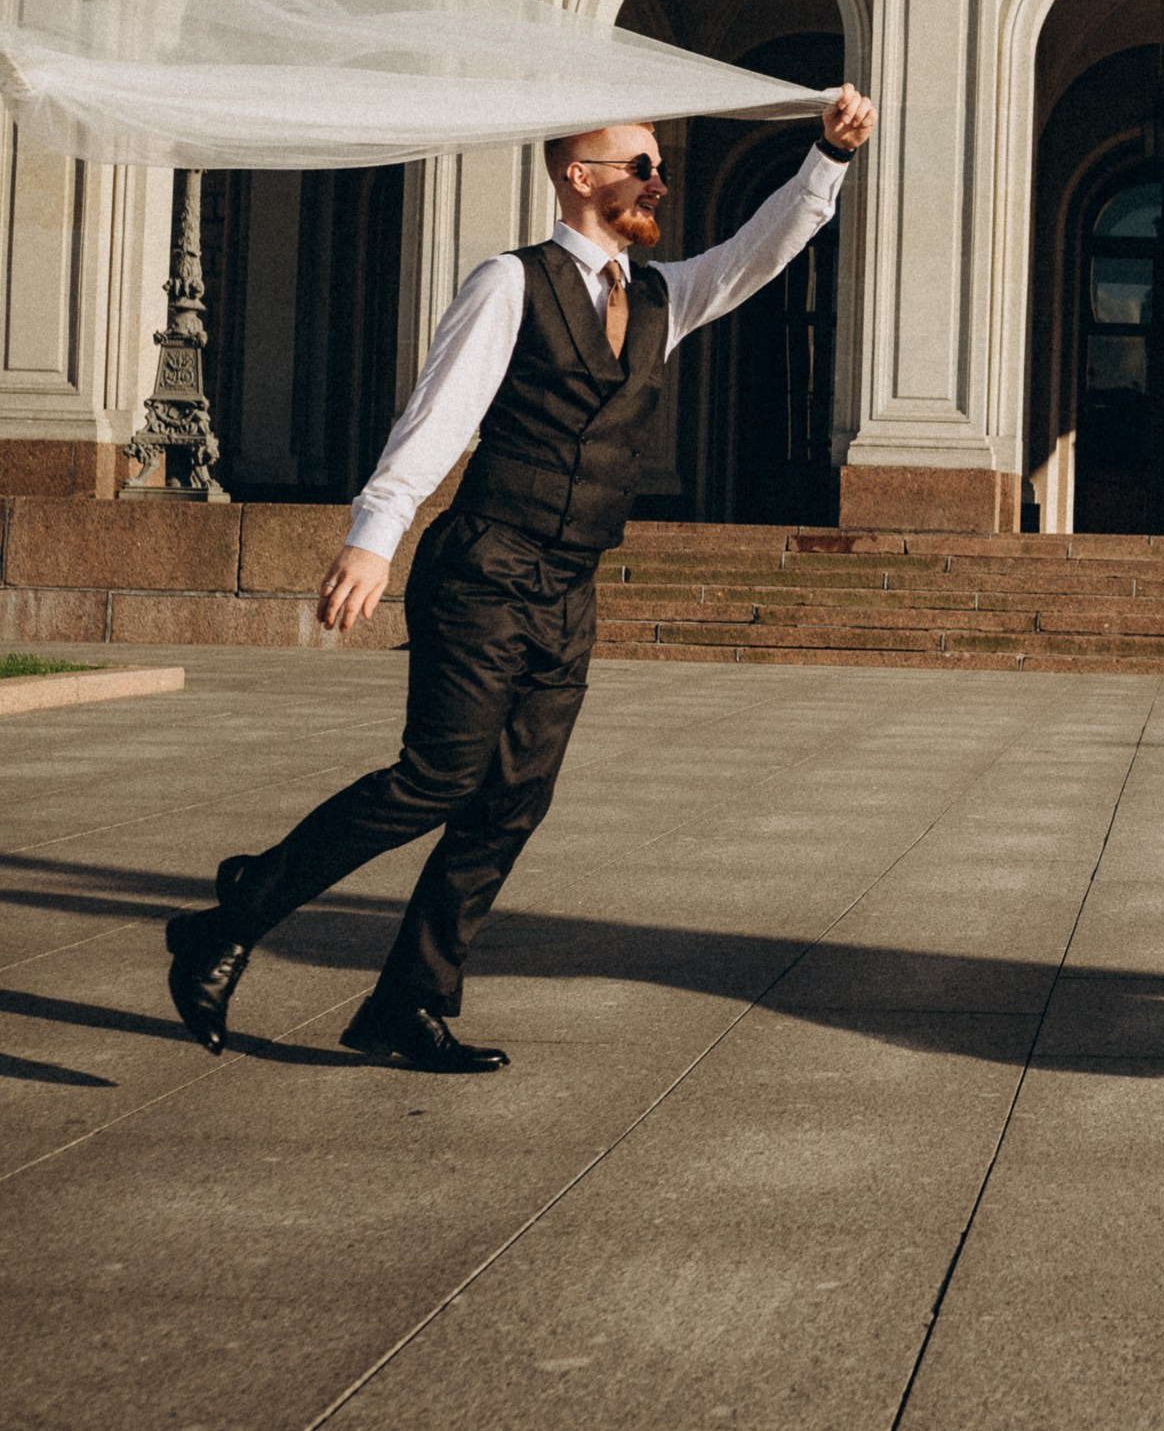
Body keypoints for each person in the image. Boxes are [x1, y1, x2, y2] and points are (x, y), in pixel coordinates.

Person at [164, 87, 877, 1072]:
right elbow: (440, 414)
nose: (658, 177)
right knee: (436, 778)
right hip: (483, 570)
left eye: (661, 164)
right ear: (580, 177)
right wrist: (377, 533)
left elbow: (762, 252)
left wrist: (826, 159)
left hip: (568, 584)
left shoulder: (662, 295)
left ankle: (406, 1001)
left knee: (511, 798)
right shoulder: (511, 283)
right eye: (640, 163)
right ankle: (229, 918)